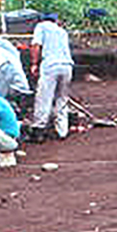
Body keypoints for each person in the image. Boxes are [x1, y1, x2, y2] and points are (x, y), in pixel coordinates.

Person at [29, 13, 73, 142]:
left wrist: (34, 64)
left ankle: (39, 130)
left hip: (50, 66)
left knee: (44, 97)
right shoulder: (62, 31)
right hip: (67, 66)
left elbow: (36, 45)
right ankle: (62, 131)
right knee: (62, 98)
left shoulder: (41, 26)